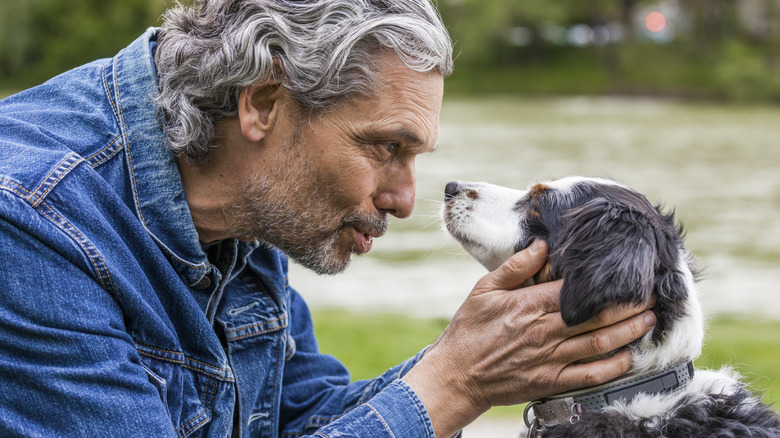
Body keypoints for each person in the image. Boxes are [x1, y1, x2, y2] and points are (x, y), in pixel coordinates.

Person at [0, 0, 656, 437]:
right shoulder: (29, 224)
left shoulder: (235, 200)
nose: (404, 197)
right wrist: (456, 380)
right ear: (262, 103)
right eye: (385, 148)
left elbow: (303, 417)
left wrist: (482, 358)